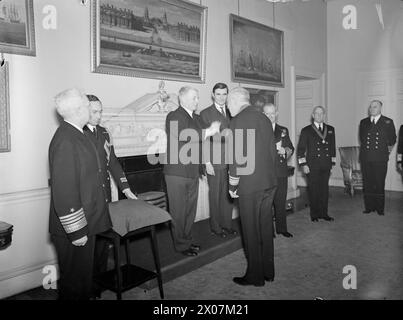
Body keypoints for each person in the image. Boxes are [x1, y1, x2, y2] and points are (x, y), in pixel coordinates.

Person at [48, 88, 111, 300]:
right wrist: (76, 231)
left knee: (82, 283)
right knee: (75, 286)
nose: (89, 109)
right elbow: (65, 192)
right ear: (77, 110)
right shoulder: (67, 139)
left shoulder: (76, 134)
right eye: (86, 105)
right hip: (75, 227)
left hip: (87, 222)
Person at [83, 94, 137, 298]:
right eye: (94, 112)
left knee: (102, 246)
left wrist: (126, 189)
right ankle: (86, 287)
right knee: (87, 248)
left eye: (100, 111)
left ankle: (97, 286)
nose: (98, 115)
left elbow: (112, 162)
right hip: (88, 200)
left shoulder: (104, 132)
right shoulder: (78, 135)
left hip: (104, 197)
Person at [227, 87, 277, 287]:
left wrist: (232, 184)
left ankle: (255, 276)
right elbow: (272, 152)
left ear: (236, 101)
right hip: (269, 182)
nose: (228, 107)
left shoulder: (237, 120)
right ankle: (268, 271)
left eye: (229, 103)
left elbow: (237, 157)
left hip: (250, 185)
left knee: (250, 230)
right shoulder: (264, 118)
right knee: (265, 228)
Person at [164, 86, 221, 256]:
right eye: (194, 97)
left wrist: (207, 161)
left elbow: (204, 141)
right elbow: (184, 135)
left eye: (197, 97)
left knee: (190, 210)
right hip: (176, 173)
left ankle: (186, 240)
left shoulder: (196, 118)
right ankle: (181, 245)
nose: (197, 101)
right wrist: (208, 131)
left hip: (192, 171)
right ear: (182, 99)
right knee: (178, 211)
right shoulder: (174, 116)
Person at [200, 83, 236, 239]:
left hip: (230, 161)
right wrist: (206, 162)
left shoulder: (231, 112)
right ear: (213, 95)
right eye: (219, 94)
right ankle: (216, 227)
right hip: (214, 163)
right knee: (215, 195)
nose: (222, 97)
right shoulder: (205, 113)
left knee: (228, 195)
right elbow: (203, 140)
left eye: (224, 94)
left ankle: (227, 225)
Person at [297, 106, 336, 222]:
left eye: (321, 113)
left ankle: (324, 213)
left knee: (324, 190)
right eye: (317, 114)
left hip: (325, 164)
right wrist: (303, 165)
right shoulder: (306, 130)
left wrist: (332, 163)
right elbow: (300, 150)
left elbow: (332, 147)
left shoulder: (330, 129)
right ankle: (314, 214)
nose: (319, 116)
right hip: (312, 165)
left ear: (324, 115)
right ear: (313, 115)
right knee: (313, 190)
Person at [359, 100, 396, 215]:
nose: (372, 109)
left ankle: (380, 208)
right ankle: (369, 207)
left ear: (380, 108)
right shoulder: (364, 122)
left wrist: (386, 152)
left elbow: (392, 140)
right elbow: (362, 139)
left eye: (375, 107)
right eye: (370, 107)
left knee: (379, 183)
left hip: (380, 158)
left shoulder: (388, 122)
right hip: (366, 158)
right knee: (368, 183)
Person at [263, 103, 294, 237]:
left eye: (272, 113)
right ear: (263, 114)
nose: (270, 116)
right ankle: (268, 231)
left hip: (280, 171)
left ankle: (282, 228)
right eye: (267, 113)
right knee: (266, 205)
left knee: (280, 202)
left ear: (277, 113)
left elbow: (291, 148)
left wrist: (285, 151)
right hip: (265, 173)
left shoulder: (283, 130)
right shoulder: (259, 129)